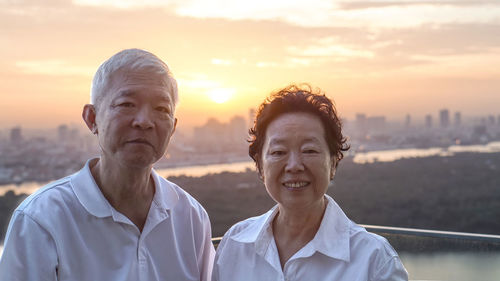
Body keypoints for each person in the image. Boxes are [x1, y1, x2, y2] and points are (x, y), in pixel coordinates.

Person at [0, 49, 215, 280]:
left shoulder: (190, 216)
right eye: (126, 104)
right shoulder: (42, 219)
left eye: (161, 109)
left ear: (172, 127)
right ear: (92, 119)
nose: (144, 121)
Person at [213, 84, 408, 280]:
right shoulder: (235, 245)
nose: (294, 166)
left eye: (309, 151)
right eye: (278, 152)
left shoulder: (374, 261)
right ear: (261, 167)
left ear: (333, 163)